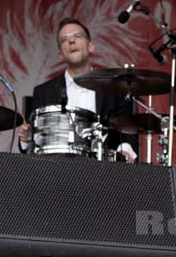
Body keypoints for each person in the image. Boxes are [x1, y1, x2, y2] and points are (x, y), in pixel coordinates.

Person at [19, 17, 138, 161]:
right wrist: (25, 139)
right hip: (56, 171)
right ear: (60, 54)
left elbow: (128, 132)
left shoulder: (114, 88)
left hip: (104, 173)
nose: (71, 41)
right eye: (64, 39)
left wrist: (124, 152)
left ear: (91, 46)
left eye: (77, 36)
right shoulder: (43, 92)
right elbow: (35, 145)